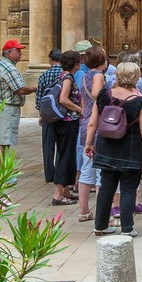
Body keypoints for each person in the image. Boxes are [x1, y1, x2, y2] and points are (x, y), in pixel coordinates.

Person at [84, 62, 142, 237]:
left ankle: (100, 225)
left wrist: (89, 143)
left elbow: (92, 122)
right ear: (136, 77)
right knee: (128, 188)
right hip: (131, 149)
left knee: (106, 187)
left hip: (106, 147)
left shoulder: (103, 96)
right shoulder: (139, 102)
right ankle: (127, 228)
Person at [74, 46, 116, 224]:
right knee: (101, 173)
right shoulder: (98, 75)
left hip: (86, 126)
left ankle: (84, 211)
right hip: (99, 125)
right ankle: (102, 214)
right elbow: (97, 95)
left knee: (86, 170)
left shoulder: (84, 76)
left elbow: (84, 101)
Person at [0, 41, 34, 189]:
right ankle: (4, 176)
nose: (21, 53)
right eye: (18, 51)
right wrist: (35, 88)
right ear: (9, 52)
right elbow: (20, 89)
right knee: (6, 141)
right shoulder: (8, 67)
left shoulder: (0, 64)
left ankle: (3, 173)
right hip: (7, 108)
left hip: (3, 106)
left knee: (4, 141)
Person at [50, 50, 83, 205]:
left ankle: (66, 191)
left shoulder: (62, 75)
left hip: (63, 121)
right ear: (75, 63)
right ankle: (58, 194)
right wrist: (78, 109)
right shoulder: (68, 78)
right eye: (79, 61)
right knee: (65, 155)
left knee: (67, 154)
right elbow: (63, 99)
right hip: (67, 121)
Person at [35, 49, 64, 185]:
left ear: (50, 59)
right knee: (62, 145)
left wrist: (41, 113)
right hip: (61, 113)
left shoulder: (44, 75)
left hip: (47, 114)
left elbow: (39, 96)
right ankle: (59, 172)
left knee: (48, 145)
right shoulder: (64, 74)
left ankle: (49, 174)